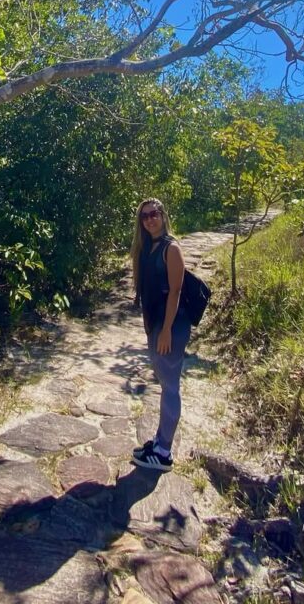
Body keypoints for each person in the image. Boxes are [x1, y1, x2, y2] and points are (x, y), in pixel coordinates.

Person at [130, 197, 190, 472]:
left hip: (172, 326)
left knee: (170, 387)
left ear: (163, 215)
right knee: (165, 382)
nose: (150, 219)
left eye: (154, 214)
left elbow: (175, 292)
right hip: (156, 325)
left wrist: (165, 330)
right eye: (145, 216)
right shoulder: (147, 247)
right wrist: (151, 329)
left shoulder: (171, 248)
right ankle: (159, 442)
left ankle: (164, 452)